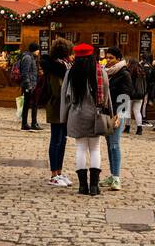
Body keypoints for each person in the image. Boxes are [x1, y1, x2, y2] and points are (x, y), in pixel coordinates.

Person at [64, 42, 110, 196]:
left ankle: (82, 186)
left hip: (77, 114)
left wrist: (63, 117)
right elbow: (107, 97)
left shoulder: (70, 73)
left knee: (80, 148)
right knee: (95, 149)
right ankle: (95, 186)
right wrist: (110, 113)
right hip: (95, 115)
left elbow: (66, 97)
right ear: (92, 56)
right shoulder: (100, 72)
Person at [42, 38, 72, 186]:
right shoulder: (56, 68)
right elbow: (58, 90)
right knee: (56, 140)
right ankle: (54, 174)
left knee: (63, 141)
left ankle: (60, 171)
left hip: (64, 108)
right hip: (57, 107)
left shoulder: (64, 65)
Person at [102, 47, 130, 190]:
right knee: (109, 145)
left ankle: (117, 178)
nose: (109, 60)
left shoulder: (123, 73)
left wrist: (120, 115)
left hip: (118, 113)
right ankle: (113, 175)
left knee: (114, 144)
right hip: (108, 113)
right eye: (107, 57)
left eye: (111, 58)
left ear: (119, 59)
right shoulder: (109, 73)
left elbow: (125, 96)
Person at [18, 42, 41, 131]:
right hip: (29, 85)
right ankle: (26, 123)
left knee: (32, 104)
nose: (39, 51)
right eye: (38, 49)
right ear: (34, 50)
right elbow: (25, 72)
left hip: (32, 84)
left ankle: (31, 123)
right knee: (28, 104)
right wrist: (28, 85)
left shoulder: (32, 57)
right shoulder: (28, 58)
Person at [124, 53, 148, 135]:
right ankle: (139, 129)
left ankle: (127, 127)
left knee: (128, 111)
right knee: (137, 111)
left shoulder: (128, 71)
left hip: (130, 94)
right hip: (140, 94)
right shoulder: (141, 71)